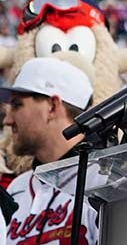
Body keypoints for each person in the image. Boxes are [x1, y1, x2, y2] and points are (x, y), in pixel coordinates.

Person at [1, 57, 99, 245]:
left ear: (52, 107)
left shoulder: (104, 182)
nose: (7, 120)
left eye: (17, 105)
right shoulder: (15, 189)